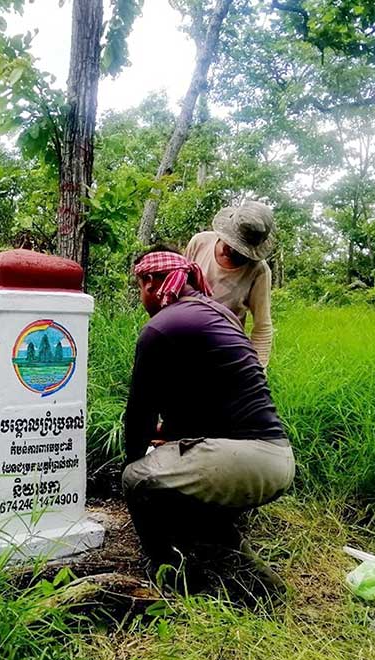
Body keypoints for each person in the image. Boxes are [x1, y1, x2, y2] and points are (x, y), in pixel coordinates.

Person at [122, 246, 295, 600]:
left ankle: (173, 580)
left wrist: (133, 463)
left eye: (140, 285)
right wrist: (169, 436)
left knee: (138, 480)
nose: (141, 295)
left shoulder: (160, 328)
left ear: (152, 282)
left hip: (239, 461)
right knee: (186, 481)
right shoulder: (218, 314)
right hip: (277, 460)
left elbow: (138, 416)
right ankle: (251, 579)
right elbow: (210, 404)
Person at [184, 202, 275, 367]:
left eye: (237, 249)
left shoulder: (259, 271)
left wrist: (257, 371)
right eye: (228, 242)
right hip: (184, 338)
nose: (228, 249)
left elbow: (262, 328)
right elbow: (176, 290)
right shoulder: (200, 243)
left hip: (224, 351)